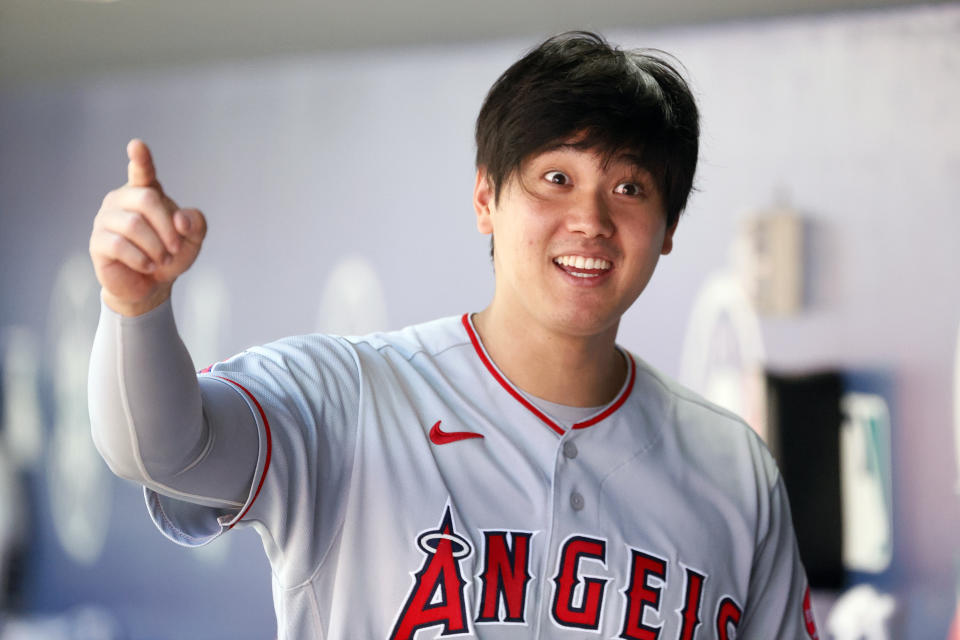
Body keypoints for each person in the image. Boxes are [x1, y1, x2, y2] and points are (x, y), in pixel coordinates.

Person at [88, 32, 819, 639]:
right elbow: (160, 450)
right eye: (555, 178)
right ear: (484, 199)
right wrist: (136, 306)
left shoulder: (734, 470)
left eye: (630, 188)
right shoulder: (349, 396)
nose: (592, 219)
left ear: (667, 232)